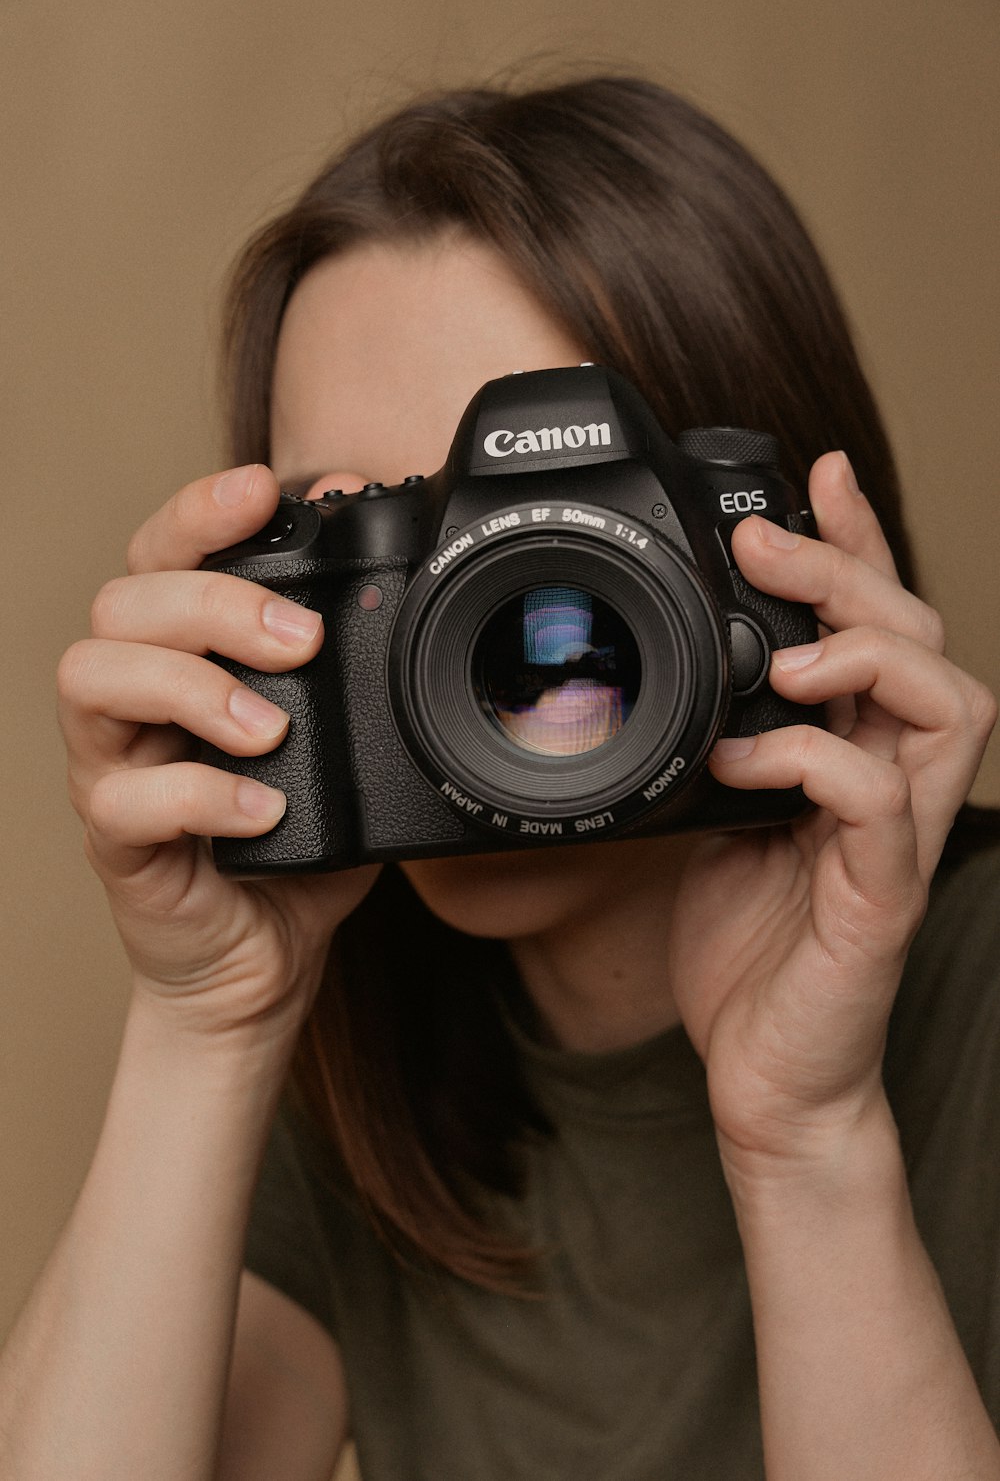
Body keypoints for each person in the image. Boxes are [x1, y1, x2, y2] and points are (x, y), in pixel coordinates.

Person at [2, 74, 999, 1481]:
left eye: (554, 536)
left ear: (763, 552)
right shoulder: (367, 1031)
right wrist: (202, 1027)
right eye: (367, 523)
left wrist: (809, 1139)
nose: (471, 642)